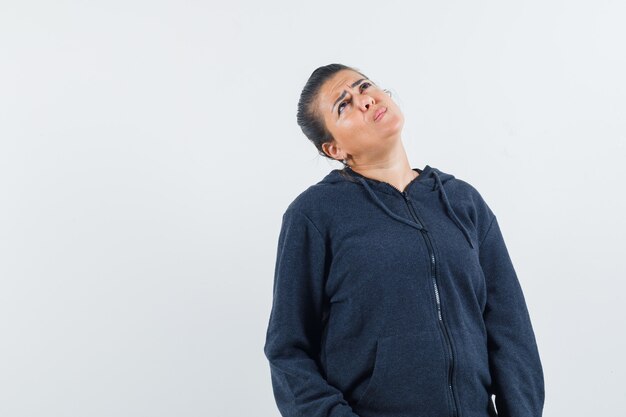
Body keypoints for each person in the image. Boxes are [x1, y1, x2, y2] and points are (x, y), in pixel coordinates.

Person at [263, 63, 545, 417]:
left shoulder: (462, 202)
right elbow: (288, 351)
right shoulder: (315, 215)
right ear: (333, 148)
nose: (363, 100)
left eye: (363, 86)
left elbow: (511, 330)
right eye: (343, 104)